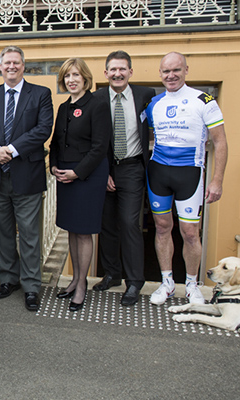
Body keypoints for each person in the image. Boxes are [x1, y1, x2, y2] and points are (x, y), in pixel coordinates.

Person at [0, 45, 54, 311]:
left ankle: (32, 285)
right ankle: (8, 279)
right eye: (7, 63)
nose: (11, 67)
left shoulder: (40, 94)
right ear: (0, 67)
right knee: (2, 233)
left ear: (23, 65)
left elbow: (43, 129)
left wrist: (12, 149)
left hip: (27, 175)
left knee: (30, 234)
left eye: (16, 63)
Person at [146, 51, 228, 306]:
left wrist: (216, 181)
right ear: (160, 74)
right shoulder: (154, 104)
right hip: (158, 172)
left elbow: (220, 142)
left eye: (176, 70)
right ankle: (167, 282)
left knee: (190, 232)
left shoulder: (204, 100)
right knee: (161, 227)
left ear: (186, 70)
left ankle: (192, 284)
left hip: (190, 173)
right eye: (166, 71)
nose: (171, 75)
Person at [94, 51, 156, 306]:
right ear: (105, 73)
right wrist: (103, 170)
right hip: (106, 168)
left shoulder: (146, 95)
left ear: (131, 71)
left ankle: (134, 282)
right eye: (113, 69)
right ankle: (112, 274)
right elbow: (94, 139)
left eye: (122, 69)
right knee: (107, 224)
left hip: (133, 168)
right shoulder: (96, 98)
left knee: (130, 223)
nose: (117, 73)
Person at [50, 58, 111, 312]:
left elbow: (99, 147)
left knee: (84, 231)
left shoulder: (97, 104)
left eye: (75, 75)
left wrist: (77, 172)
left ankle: (82, 284)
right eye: (67, 76)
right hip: (65, 173)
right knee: (72, 230)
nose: (71, 80)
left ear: (85, 77)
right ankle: (74, 278)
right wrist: (53, 166)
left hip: (87, 175)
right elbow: (55, 141)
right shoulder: (64, 107)